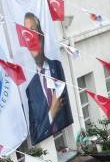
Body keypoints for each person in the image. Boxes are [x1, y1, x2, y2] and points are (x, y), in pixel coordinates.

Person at [20, 12, 72, 143]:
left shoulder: (57, 67)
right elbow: (36, 133)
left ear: (41, 36)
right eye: (26, 34)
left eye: (33, 30)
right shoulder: (30, 88)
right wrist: (51, 112)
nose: (31, 38)